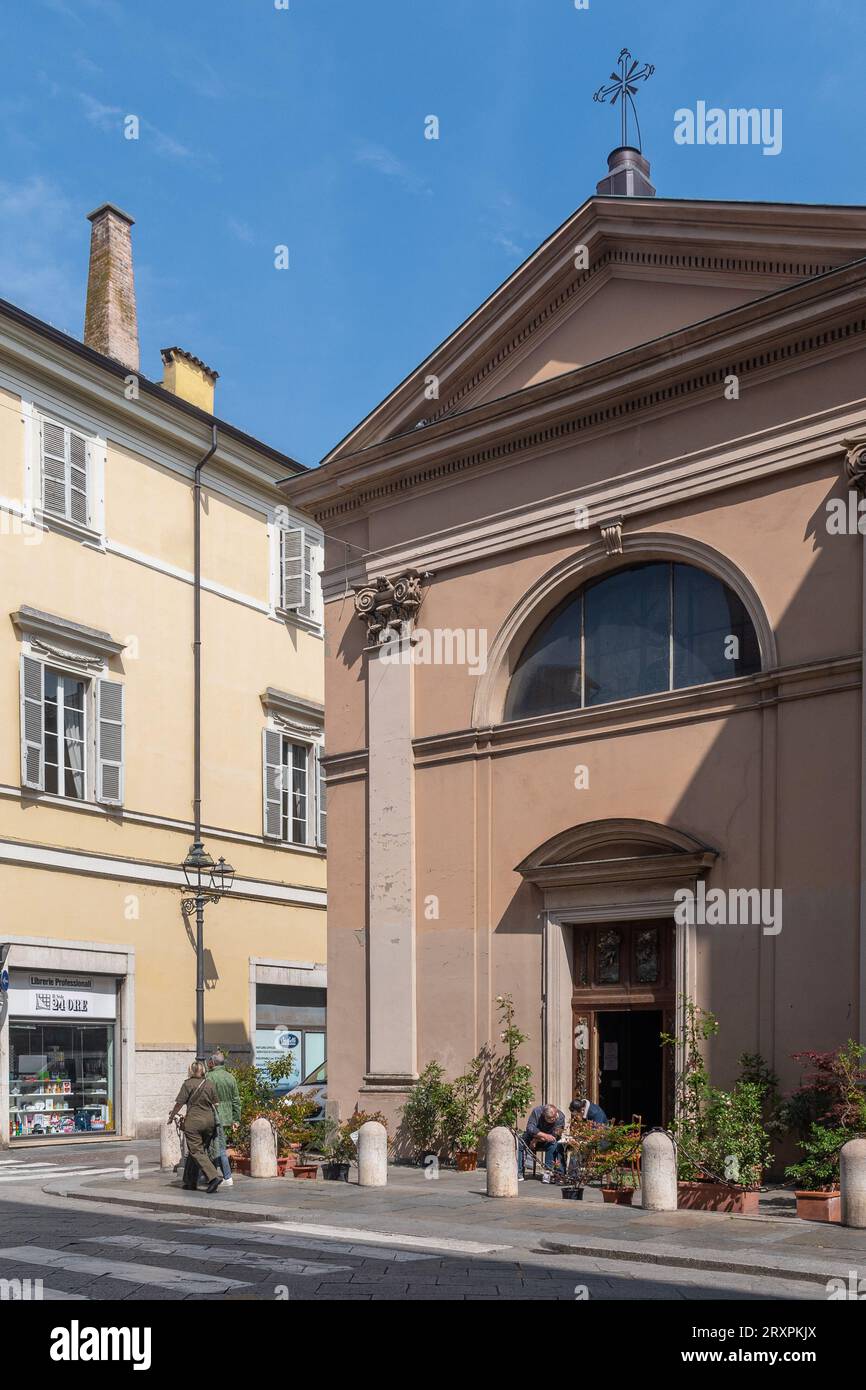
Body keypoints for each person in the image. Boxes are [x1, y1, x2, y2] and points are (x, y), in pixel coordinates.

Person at [168, 1060, 222, 1193]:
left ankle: (213, 1177)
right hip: (209, 1122)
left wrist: (171, 1116)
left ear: (191, 1070)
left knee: (196, 1152)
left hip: (194, 1122)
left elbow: (179, 1103)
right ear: (203, 1070)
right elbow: (216, 1104)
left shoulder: (188, 1084)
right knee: (195, 1152)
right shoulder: (209, 1084)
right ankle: (189, 1181)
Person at [208, 1050, 241, 1187]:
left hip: (213, 1115)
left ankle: (227, 1177)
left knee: (218, 1147)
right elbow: (236, 1100)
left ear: (213, 1062)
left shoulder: (209, 1077)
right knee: (217, 1145)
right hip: (227, 1116)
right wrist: (236, 1119)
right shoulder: (230, 1077)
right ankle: (212, 1175)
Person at [519, 1102, 566, 1180]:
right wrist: (542, 1136)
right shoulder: (537, 1112)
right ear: (544, 1115)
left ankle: (548, 1172)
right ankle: (519, 1172)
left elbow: (555, 1135)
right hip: (533, 1136)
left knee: (554, 1143)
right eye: (550, 1118)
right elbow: (530, 1128)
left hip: (546, 1140)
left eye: (554, 1117)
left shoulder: (560, 1117)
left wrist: (536, 1139)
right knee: (521, 1142)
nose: (553, 1119)